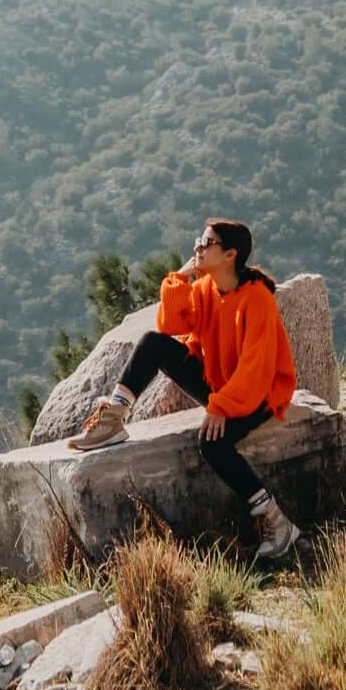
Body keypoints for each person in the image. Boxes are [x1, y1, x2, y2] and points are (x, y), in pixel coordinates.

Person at [65, 218, 302, 559]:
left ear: (229, 254)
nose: (197, 248)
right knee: (153, 342)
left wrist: (221, 406)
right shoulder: (207, 288)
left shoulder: (257, 299)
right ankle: (114, 417)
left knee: (212, 443)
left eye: (206, 244)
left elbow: (256, 368)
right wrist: (180, 277)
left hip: (260, 393)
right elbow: (171, 322)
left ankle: (276, 521)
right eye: (199, 241)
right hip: (221, 383)